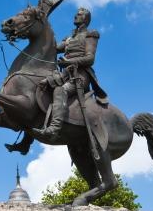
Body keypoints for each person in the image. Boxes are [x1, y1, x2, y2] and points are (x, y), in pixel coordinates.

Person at [33, 7, 108, 141]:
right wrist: (39, 31)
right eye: (76, 14)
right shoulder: (69, 38)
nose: (75, 16)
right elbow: (53, 49)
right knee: (40, 86)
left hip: (80, 76)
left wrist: (68, 62)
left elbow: (90, 59)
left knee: (60, 91)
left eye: (79, 15)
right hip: (65, 74)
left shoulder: (91, 35)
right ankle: (27, 138)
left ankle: (54, 129)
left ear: (85, 18)